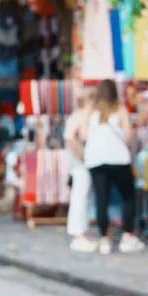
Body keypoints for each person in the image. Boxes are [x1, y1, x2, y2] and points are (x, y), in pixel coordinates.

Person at [85, 79, 145, 255]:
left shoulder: (92, 112)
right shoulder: (120, 109)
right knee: (128, 196)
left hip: (96, 160)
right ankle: (127, 236)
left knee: (101, 199)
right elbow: (128, 135)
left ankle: (105, 239)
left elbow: (83, 132)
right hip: (118, 159)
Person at [64, 87, 97, 253]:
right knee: (80, 197)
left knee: (84, 197)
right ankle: (78, 233)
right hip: (80, 165)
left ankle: (82, 232)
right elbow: (70, 138)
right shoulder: (79, 117)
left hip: (82, 164)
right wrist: (83, 157)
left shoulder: (83, 117)